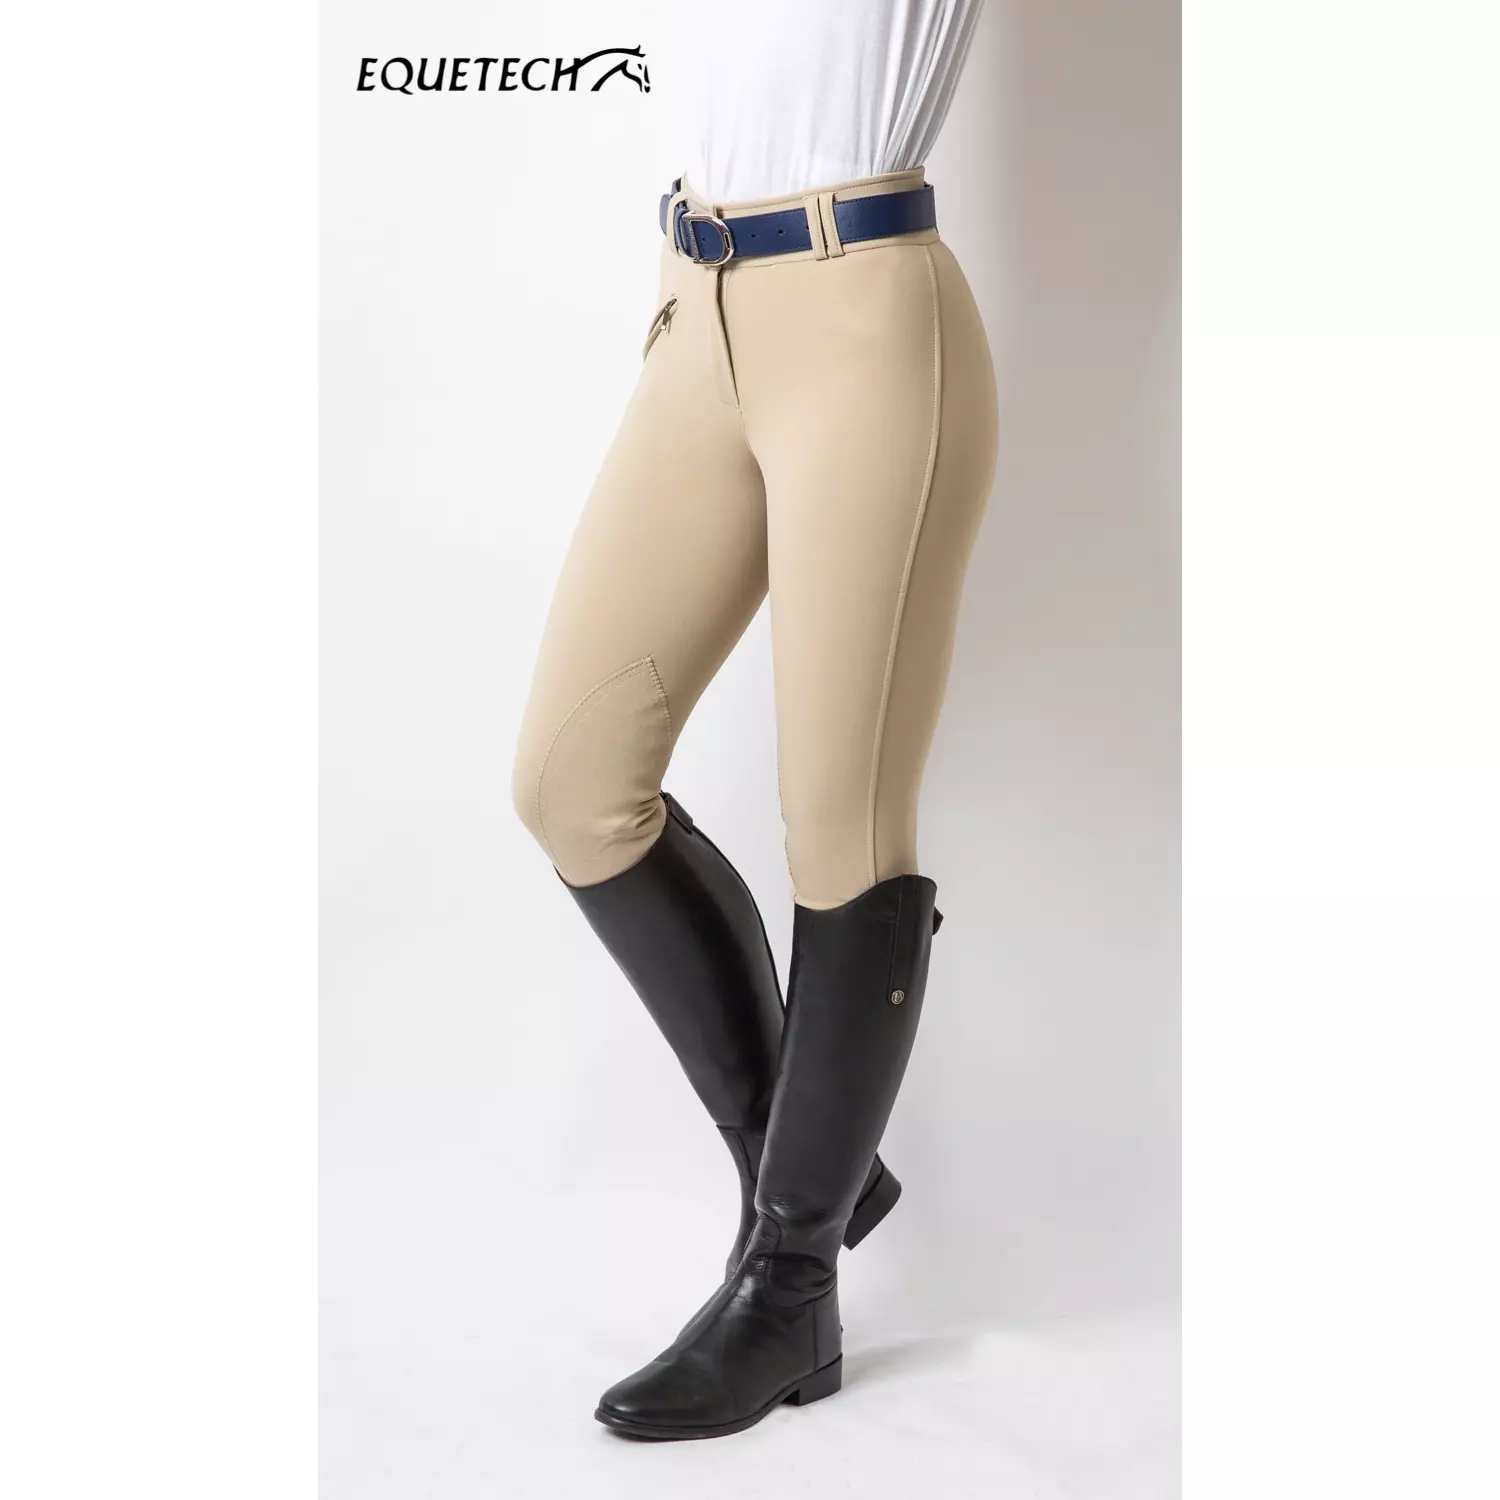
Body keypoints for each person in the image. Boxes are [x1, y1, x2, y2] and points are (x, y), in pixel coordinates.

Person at [512, 0, 995, 1440]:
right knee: (570, 785)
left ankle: (791, 1284)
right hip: (697, 308)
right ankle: (806, 1164)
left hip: (863, 318)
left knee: (841, 824)